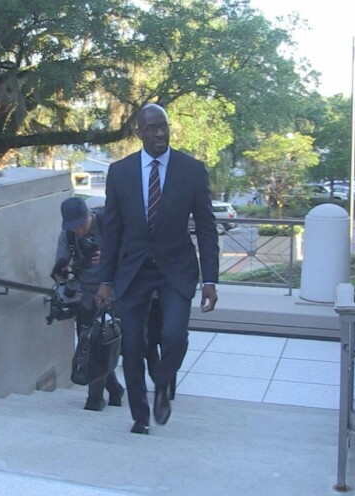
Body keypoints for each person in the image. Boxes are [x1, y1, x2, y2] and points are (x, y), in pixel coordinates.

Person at [95, 103, 219, 435]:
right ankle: (139, 415)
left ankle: (163, 383)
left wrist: (210, 279)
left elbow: (206, 228)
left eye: (163, 126)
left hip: (175, 268)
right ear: (140, 133)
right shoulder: (119, 172)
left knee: (173, 336)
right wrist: (105, 279)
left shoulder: (191, 170)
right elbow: (112, 231)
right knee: (133, 345)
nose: (160, 133)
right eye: (152, 128)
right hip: (133, 270)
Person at [52, 197, 125, 411]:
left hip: (113, 294)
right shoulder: (67, 235)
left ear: (88, 215)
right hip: (85, 297)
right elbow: (60, 267)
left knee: (98, 344)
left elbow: (131, 257)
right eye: (74, 228)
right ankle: (114, 389)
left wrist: (109, 260)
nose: (80, 232)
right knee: (90, 346)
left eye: (82, 226)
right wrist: (63, 273)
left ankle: (94, 400)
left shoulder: (109, 226)